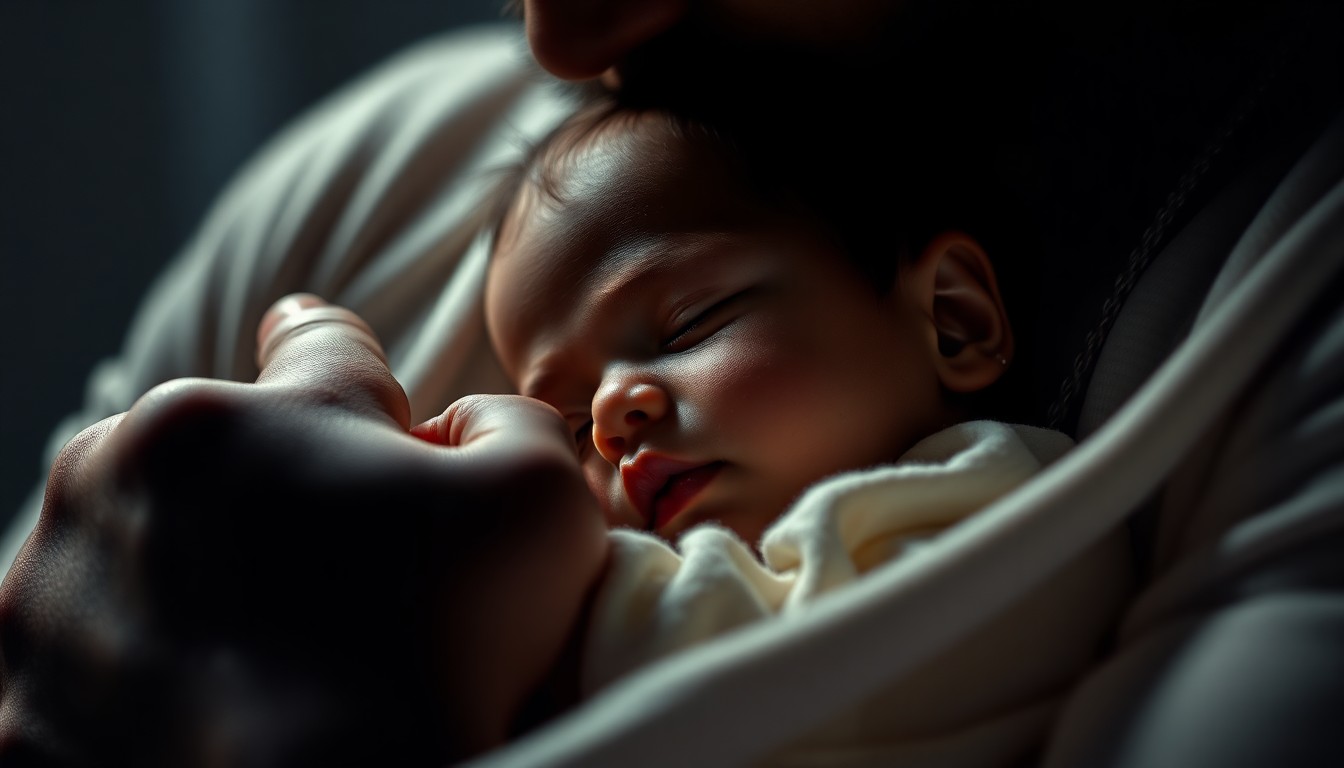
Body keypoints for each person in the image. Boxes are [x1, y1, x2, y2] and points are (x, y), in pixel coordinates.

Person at [1, 0, 1341, 765]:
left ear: (956, 317)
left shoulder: (983, 508)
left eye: (693, 317)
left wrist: (510, 616)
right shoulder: (382, 170)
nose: (560, 32)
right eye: (567, 401)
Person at [467, 92, 1129, 764]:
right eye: (573, 429)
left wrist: (512, 585)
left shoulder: (1000, 501)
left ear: (952, 321)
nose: (610, 415)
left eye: (691, 323)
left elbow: (737, 669)